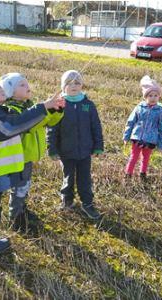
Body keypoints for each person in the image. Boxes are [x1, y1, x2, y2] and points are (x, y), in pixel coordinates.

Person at [0, 73, 64, 230]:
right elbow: (29, 125)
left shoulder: (31, 107)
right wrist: (44, 108)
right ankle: (15, 217)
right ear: (10, 92)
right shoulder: (12, 110)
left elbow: (47, 123)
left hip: (28, 156)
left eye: (27, 83)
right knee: (19, 186)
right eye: (21, 85)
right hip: (18, 157)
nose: (27, 86)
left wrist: (56, 110)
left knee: (25, 184)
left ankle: (22, 208)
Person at [47, 70, 104, 220]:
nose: (74, 85)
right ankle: (67, 200)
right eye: (69, 82)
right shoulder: (59, 105)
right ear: (63, 86)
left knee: (85, 179)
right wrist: (51, 149)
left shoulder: (88, 104)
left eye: (77, 82)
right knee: (68, 176)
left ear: (82, 85)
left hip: (85, 151)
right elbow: (51, 128)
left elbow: (96, 126)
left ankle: (87, 203)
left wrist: (98, 145)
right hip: (66, 151)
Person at [123, 75, 162, 180]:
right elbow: (131, 122)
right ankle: (128, 174)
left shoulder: (160, 111)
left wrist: (161, 144)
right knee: (133, 157)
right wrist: (126, 136)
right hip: (137, 137)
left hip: (151, 139)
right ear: (145, 96)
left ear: (159, 96)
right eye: (150, 95)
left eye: (155, 95)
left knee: (146, 158)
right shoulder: (139, 108)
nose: (153, 98)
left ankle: (142, 174)